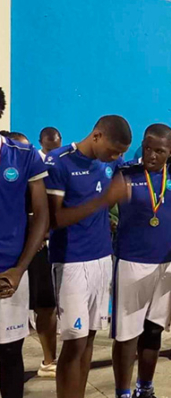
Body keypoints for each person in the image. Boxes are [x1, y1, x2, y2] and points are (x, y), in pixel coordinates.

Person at [45, 115, 132, 398]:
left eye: (121, 153)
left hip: (102, 260)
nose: (117, 157)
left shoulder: (110, 163)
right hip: (71, 262)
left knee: (90, 338)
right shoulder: (59, 162)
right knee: (74, 343)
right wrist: (103, 202)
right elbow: (54, 219)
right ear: (97, 136)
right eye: (114, 150)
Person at [111, 124, 171, 398]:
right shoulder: (125, 174)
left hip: (166, 264)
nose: (151, 155)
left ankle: (146, 388)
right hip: (130, 262)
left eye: (159, 151)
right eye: (148, 148)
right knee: (127, 335)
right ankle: (122, 391)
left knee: (153, 331)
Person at [0, 132, 49, 398]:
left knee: (9, 352)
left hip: (9, 272)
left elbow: (41, 214)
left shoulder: (23, 155)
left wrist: (20, 269)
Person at [26, 127, 62, 378]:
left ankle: (50, 360)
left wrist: (41, 234)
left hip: (38, 249)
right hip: (12, 250)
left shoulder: (53, 168)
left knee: (45, 305)